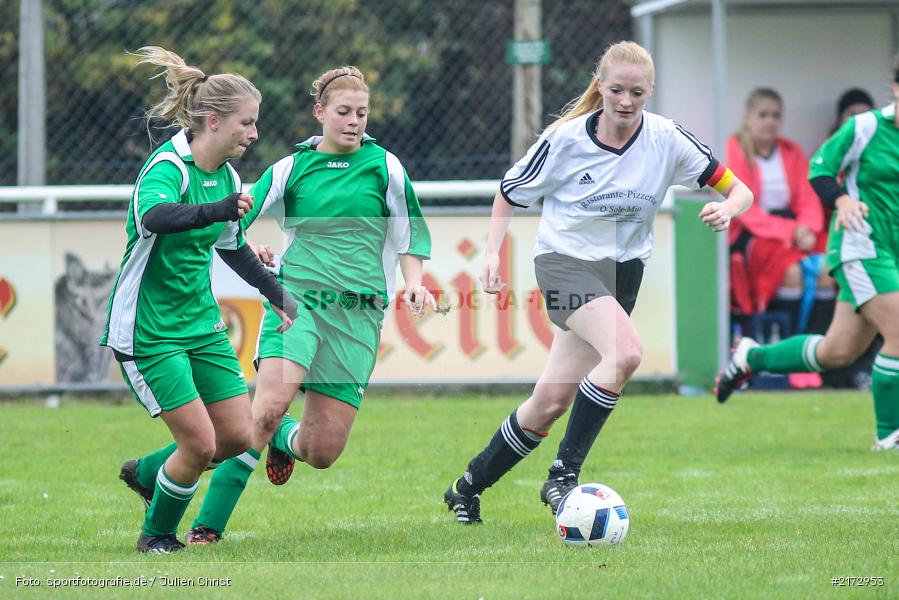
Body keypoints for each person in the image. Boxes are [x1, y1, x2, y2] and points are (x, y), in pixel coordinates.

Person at [118, 66, 435, 544]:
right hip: (295, 303)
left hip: (356, 314)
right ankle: (202, 528)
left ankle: (280, 440)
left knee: (319, 449)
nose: (354, 121)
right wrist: (270, 269)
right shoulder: (286, 167)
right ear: (320, 113)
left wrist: (415, 282)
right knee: (248, 420)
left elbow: (408, 233)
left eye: (362, 113)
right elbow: (232, 215)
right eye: (344, 112)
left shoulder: (385, 167)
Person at [442, 41, 754, 524]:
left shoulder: (666, 138)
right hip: (564, 261)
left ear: (651, 91)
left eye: (637, 92)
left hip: (622, 273)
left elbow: (739, 188)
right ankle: (564, 475)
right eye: (616, 91)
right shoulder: (565, 140)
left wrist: (728, 208)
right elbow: (509, 191)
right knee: (627, 352)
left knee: (549, 402)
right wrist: (490, 254)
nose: (626, 102)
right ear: (600, 86)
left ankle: (466, 487)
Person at [105, 46, 297, 554]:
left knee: (235, 437)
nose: (254, 134)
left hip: (199, 323)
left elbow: (232, 247)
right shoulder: (169, 167)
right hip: (149, 329)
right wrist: (213, 209)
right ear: (213, 121)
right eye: (246, 123)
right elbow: (155, 217)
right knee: (199, 444)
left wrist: (279, 297)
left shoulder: (228, 177)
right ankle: (157, 536)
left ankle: (150, 472)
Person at [716, 55, 899, 451]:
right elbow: (820, 168)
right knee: (898, 331)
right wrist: (844, 202)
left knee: (838, 350)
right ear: (895, 90)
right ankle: (889, 438)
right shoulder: (865, 127)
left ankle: (752, 357)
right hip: (862, 245)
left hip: (890, 253)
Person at [725, 89, 830, 390]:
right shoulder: (735, 149)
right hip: (753, 235)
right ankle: (788, 357)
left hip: (792, 232)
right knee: (793, 272)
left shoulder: (791, 151)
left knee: (827, 269)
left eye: (775, 115)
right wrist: (789, 232)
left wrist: (807, 228)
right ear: (748, 118)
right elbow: (744, 209)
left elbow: (808, 200)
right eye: (763, 114)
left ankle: (815, 354)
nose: (770, 121)